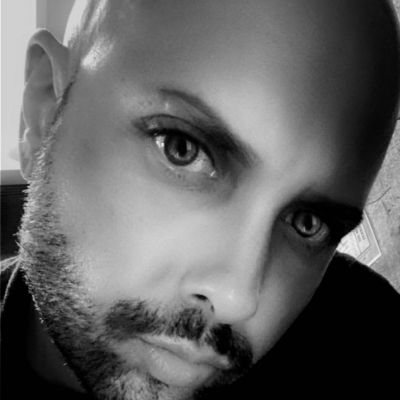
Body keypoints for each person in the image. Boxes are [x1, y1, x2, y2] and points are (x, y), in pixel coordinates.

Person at [2, 0, 400, 399]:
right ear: (44, 110)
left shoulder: (367, 338)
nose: (236, 299)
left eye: (307, 223)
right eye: (182, 150)